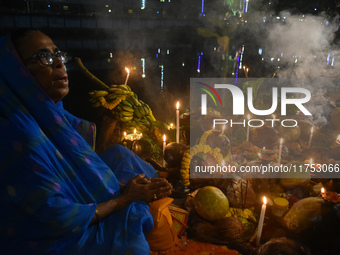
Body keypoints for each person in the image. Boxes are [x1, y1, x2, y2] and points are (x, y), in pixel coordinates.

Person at [0, 29, 172, 254]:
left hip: (72, 202)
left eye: (58, 55)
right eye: (44, 57)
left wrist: (125, 188)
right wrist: (124, 199)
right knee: (133, 245)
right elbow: (57, 216)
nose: (59, 64)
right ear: (17, 72)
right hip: (51, 236)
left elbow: (78, 168)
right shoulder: (20, 134)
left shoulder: (49, 114)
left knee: (121, 155)